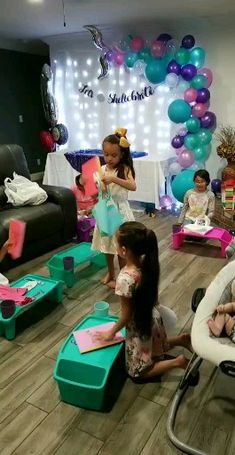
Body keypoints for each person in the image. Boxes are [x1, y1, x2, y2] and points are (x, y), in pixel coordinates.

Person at [96, 221, 192, 381]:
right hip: (152, 317)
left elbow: (127, 315)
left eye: (115, 243)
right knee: (154, 346)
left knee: (137, 372)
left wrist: (111, 332)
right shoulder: (147, 265)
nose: (115, 246)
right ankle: (181, 339)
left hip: (139, 325)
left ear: (124, 250)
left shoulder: (124, 279)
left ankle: (178, 362)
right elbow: (154, 300)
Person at [92, 128, 136, 288]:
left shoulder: (124, 169)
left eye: (113, 155)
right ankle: (111, 272)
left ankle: (123, 275)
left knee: (120, 246)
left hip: (120, 211)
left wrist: (114, 179)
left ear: (122, 155)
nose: (109, 158)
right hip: (105, 211)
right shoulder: (101, 169)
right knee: (107, 245)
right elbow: (98, 191)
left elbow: (132, 186)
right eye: (106, 154)